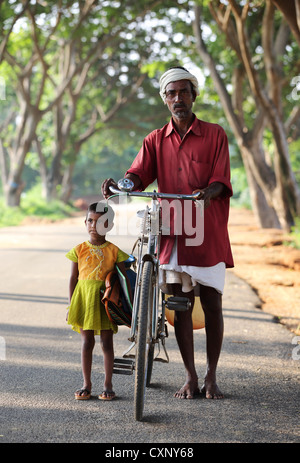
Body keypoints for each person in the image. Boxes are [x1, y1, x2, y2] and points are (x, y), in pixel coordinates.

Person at [102, 66, 234, 400]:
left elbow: (222, 180)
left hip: (206, 230)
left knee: (213, 303)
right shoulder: (154, 140)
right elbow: (137, 174)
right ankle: (190, 376)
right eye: (171, 93)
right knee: (181, 304)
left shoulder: (216, 134)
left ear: (194, 95)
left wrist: (209, 192)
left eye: (184, 92)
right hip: (172, 230)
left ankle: (212, 376)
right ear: (165, 99)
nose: (178, 98)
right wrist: (123, 185)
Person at [66, 202, 130, 400]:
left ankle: (108, 385)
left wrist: (127, 306)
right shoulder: (78, 250)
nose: (95, 225)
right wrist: (71, 305)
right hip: (84, 301)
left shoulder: (114, 251)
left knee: (106, 343)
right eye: (91, 221)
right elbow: (73, 279)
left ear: (109, 225)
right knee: (86, 342)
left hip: (105, 303)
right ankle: (86, 384)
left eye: (101, 222)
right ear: (85, 222)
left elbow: (125, 280)